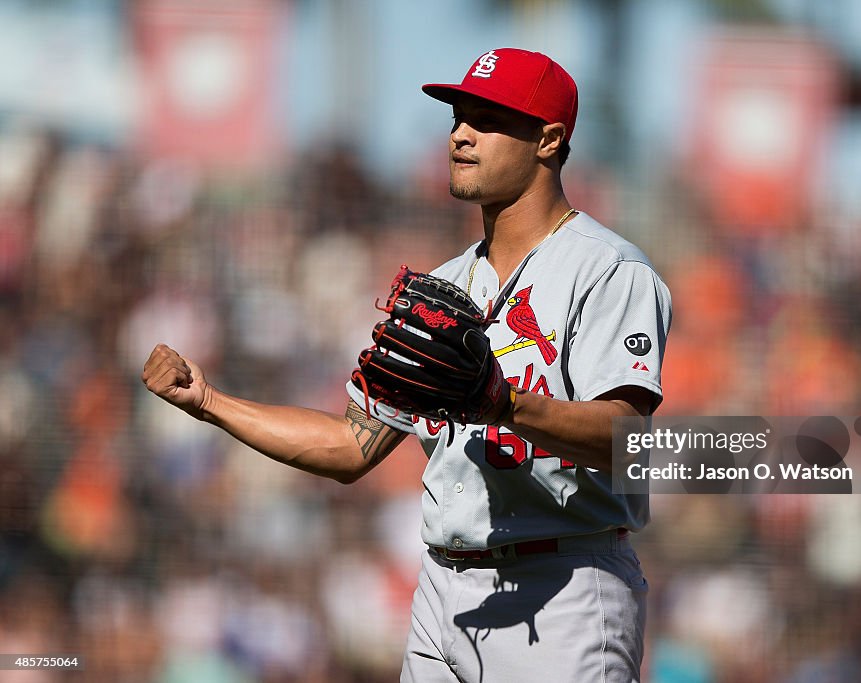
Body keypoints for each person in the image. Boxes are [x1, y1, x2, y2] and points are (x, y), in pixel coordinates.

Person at [142, 47, 672, 682]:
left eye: (488, 118)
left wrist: (503, 405)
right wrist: (210, 402)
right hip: (441, 591)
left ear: (550, 139)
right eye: (457, 117)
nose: (460, 135)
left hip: (562, 590)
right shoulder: (442, 293)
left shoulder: (607, 270)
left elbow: (630, 441)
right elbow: (349, 448)